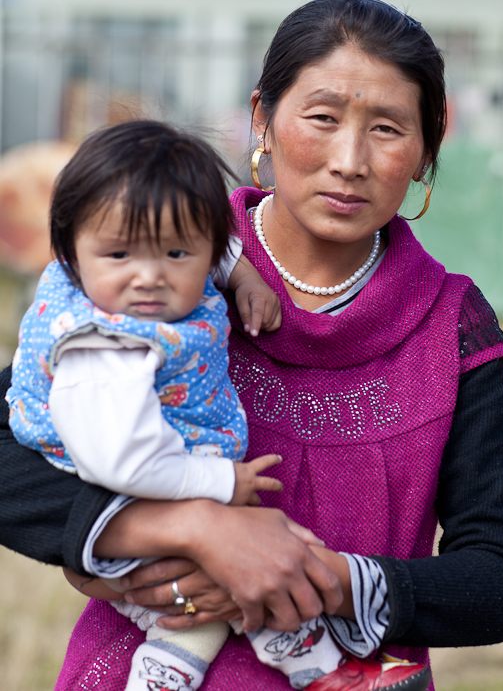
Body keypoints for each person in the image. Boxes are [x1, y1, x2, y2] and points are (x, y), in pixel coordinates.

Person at [0, 0, 503, 691]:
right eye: (322, 118)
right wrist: (191, 532)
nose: (349, 160)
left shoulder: (450, 324)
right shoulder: (156, 260)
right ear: (262, 118)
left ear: (427, 149)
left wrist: (324, 578)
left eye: (387, 129)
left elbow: (499, 577)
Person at [6, 119, 429, 691]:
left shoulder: (147, 264)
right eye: (120, 253)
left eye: (176, 252)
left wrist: (244, 276)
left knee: (218, 598)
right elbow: (125, 463)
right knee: (255, 563)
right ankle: (324, 668)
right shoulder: (104, 352)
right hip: (121, 490)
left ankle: (213, 671)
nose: (149, 276)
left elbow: (212, 242)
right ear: (70, 251)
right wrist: (220, 483)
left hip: (152, 479)